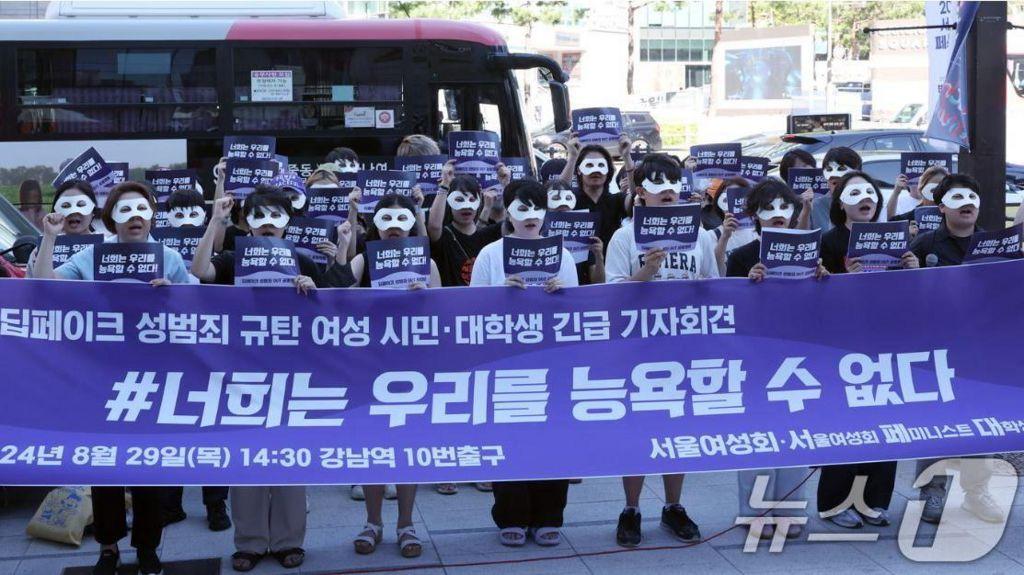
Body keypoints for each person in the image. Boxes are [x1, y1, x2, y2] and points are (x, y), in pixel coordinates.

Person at [32, 181, 190, 575]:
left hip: (153, 376)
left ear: (152, 215)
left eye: (141, 210)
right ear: (110, 217)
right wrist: (48, 238)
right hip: (100, 377)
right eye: (124, 210)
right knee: (104, 467)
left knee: (147, 467)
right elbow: (44, 286)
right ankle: (108, 547)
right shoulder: (92, 255)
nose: (134, 218)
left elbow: (199, 306)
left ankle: (149, 547)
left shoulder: (168, 256)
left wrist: (175, 292)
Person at [605, 154, 717, 547]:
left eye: (674, 183)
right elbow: (615, 295)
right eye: (658, 185)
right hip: (637, 349)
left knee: (677, 429)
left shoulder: (700, 234)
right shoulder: (624, 237)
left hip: (684, 348)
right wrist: (648, 271)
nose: (668, 191)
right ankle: (631, 508)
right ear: (641, 193)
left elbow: (712, 287)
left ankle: (673, 506)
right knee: (636, 429)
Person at [470, 179, 577, 547]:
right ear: (509, 213)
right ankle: (511, 515)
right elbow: (473, 310)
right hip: (505, 361)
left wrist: (558, 294)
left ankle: (550, 514)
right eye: (522, 207)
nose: (530, 216)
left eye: (537, 207)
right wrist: (501, 295)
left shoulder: (562, 254)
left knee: (553, 436)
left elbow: (576, 309)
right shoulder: (490, 254)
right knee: (509, 437)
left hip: (552, 360)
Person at [815, 171, 915, 529]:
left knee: (886, 422)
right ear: (841, 202)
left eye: (870, 192)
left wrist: (912, 270)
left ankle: (875, 501)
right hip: (842, 346)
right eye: (855, 193)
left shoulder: (895, 238)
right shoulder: (827, 241)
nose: (865, 198)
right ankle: (834, 502)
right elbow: (816, 298)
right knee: (845, 425)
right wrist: (844, 281)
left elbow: (909, 297)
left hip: (886, 344)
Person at [726, 180, 822, 539]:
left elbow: (819, 310)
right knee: (756, 437)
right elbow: (729, 312)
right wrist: (747, 286)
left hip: (798, 356)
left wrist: (821, 280)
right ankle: (754, 513)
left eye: (785, 206)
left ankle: (792, 509)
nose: (778, 214)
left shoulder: (812, 251)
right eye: (769, 208)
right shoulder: (741, 256)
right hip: (754, 358)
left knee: (795, 434)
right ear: (756, 215)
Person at [344, 194, 438, 560]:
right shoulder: (362, 259)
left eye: (402, 218)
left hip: (412, 370)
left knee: (407, 448)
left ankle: (405, 523)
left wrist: (425, 299)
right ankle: (372, 521)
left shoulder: (426, 263)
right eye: (387, 218)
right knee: (372, 448)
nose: (395, 226)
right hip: (367, 367)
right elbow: (337, 297)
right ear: (376, 223)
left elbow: (446, 314)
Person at [905, 176, 1004, 524]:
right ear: (941, 206)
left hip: (984, 351)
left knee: (984, 423)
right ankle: (932, 492)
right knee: (938, 423)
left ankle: (976, 493)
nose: (967, 203)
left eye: (973, 197)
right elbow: (900, 299)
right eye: (958, 197)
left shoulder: (998, 244)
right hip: (937, 352)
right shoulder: (922, 245)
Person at [427, 172, 503, 287]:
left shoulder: (489, 235)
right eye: (459, 199)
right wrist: (444, 185)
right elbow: (434, 226)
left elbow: (514, 221)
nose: (466, 206)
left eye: (472, 199)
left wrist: (506, 185)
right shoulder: (446, 236)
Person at [560, 134, 635, 250]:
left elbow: (638, 197)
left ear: (608, 170)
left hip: (610, 263)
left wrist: (627, 157)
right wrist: (573, 157)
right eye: (589, 165)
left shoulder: (617, 200)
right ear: (579, 170)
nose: (596, 171)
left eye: (601, 165)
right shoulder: (570, 200)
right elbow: (557, 193)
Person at [26, 180, 99, 277]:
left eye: (81, 205)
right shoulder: (41, 250)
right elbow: (35, 286)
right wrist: (49, 236)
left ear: (93, 211)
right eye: (65, 206)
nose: (73, 212)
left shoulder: (106, 246)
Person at [545, 179, 605, 284]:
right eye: (555, 198)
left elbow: (599, 282)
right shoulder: (535, 231)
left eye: (567, 198)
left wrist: (599, 257)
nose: (562, 204)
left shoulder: (585, 233)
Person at [710, 176, 756, 276]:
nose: (732, 204)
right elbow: (716, 271)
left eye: (738, 198)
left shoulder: (757, 233)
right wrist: (724, 237)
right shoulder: (712, 235)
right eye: (726, 199)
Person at [809, 147, 862, 233]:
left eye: (841, 169)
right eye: (829, 169)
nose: (834, 175)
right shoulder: (815, 206)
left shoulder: (867, 203)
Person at [777, 149, 817, 230]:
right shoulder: (783, 201)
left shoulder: (823, 194)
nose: (810, 168)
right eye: (804, 166)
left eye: (811, 165)